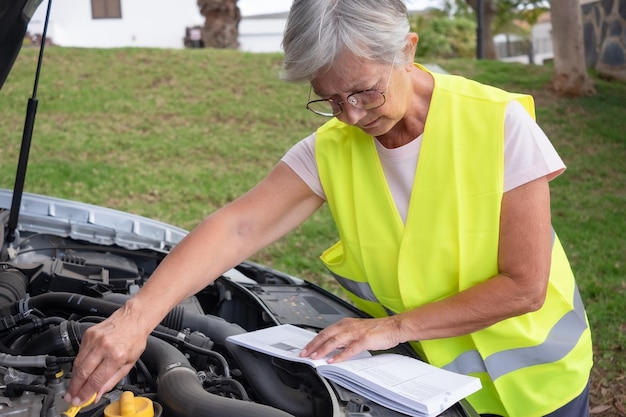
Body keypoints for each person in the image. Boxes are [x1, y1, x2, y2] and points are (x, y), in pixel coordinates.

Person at [65, 1, 593, 416]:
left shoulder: (499, 123)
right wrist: (135, 319)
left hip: (540, 382)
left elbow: (525, 285)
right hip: (432, 385)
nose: (352, 115)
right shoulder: (330, 149)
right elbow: (238, 226)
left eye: (364, 91)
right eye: (331, 99)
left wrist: (389, 329)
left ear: (406, 50)